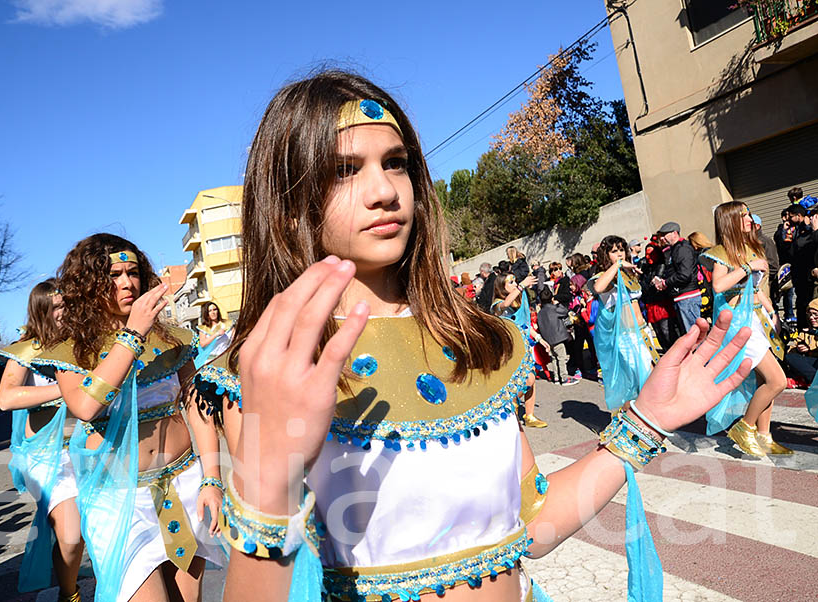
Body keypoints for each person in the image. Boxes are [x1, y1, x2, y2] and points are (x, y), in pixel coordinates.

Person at [188, 70, 754, 602]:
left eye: (396, 162)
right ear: (288, 207)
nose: (384, 191)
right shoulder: (267, 369)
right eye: (344, 170)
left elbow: (529, 525)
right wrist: (267, 486)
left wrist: (643, 423)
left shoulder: (487, 343)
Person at [25, 235, 224, 602]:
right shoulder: (70, 347)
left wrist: (212, 479)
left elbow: (198, 407)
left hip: (182, 484)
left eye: (133, 272)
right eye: (113, 274)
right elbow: (86, 406)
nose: (127, 282)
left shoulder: (173, 338)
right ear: (87, 284)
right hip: (119, 501)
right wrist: (133, 335)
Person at [0, 279, 84, 600]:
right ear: (41, 311)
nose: (65, 313)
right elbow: (5, 398)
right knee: (71, 535)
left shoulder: (82, 345)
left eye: (68, 305)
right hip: (49, 459)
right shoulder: (27, 350)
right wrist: (65, 390)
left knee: (91, 530)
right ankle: (69, 593)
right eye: (57, 307)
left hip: (92, 450)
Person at [701, 201, 790, 456]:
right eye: (744, 215)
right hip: (739, 326)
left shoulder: (751, 247)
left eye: (749, 214)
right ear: (731, 221)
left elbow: (756, 290)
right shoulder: (721, 252)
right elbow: (718, 286)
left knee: (765, 380)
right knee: (777, 381)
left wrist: (771, 311)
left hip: (757, 321)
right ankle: (745, 427)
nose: (750, 218)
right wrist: (747, 268)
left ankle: (763, 436)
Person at [590, 235, 660, 409]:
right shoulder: (604, 277)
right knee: (641, 383)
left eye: (622, 250)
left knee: (651, 378)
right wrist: (617, 265)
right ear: (606, 255)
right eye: (614, 251)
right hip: (626, 337)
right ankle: (637, 421)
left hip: (643, 332)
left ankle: (642, 420)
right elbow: (598, 288)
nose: (620, 254)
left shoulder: (628, 274)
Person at [490, 274, 549, 427]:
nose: (515, 284)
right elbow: (504, 304)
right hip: (509, 350)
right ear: (502, 287)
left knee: (532, 377)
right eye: (511, 282)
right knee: (525, 379)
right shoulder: (497, 304)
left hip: (524, 347)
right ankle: (507, 404)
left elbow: (525, 325)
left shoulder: (519, 299)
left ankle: (529, 415)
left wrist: (539, 339)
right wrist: (521, 285)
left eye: (515, 281)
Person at [652, 222, 702, 335]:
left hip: (688, 297)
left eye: (665, 235)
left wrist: (665, 283)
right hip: (682, 297)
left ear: (674, 233)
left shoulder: (682, 249)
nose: (662, 238)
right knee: (689, 333)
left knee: (693, 334)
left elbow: (684, 274)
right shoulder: (675, 249)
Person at [536, 287, 578, 387]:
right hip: (558, 337)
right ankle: (563, 377)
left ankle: (556, 377)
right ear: (551, 299)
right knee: (561, 357)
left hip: (547, 339)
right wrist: (557, 303)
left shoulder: (540, 313)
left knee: (554, 358)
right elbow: (564, 311)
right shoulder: (554, 309)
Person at [786, 297, 818, 383]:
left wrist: (810, 347)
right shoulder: (805, 332)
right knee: (790, 357)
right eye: (810, 314)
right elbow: (791, 350)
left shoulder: (810, 331)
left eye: (815, 314)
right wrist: (798, 350)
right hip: (810, 366)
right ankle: (814, 379)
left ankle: (811, 380)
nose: (812, 317)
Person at [196, 301, 231, 368]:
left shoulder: (227, 324)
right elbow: (203, 344)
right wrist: (217, 334)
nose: (213, 312)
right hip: (211, 360)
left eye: (215, 310)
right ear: (206, 313)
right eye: (210, 311)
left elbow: (235, 339)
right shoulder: (204, 329)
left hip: (227, 358)